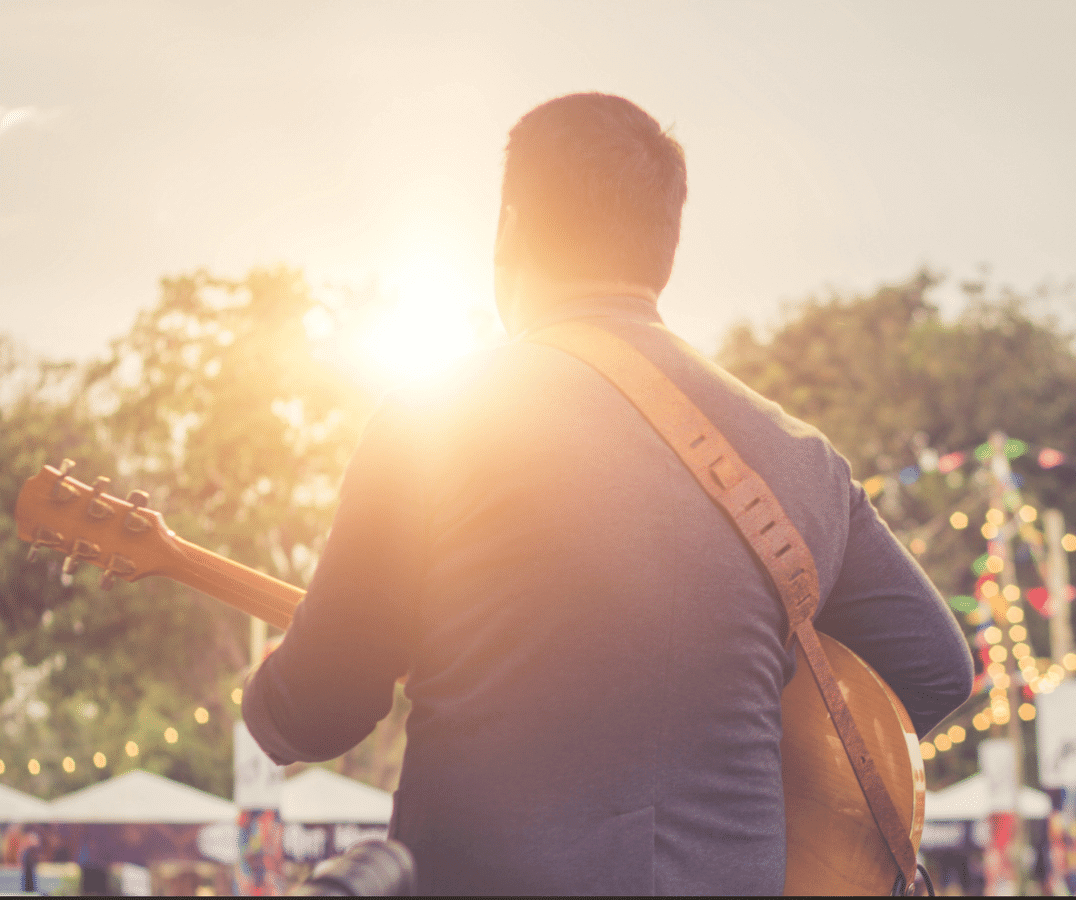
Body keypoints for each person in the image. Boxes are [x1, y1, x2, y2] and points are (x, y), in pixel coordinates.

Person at [244, 92, 973, 895]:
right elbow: (937, 670)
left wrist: (271, 690)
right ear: (665, 247)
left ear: (511, 229)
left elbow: (319, 711)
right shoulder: (802, 460)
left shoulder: (438, 414)